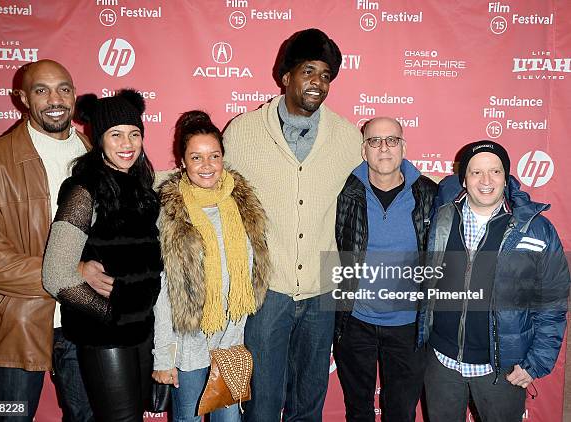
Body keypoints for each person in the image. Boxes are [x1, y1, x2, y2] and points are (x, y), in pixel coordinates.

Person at [223, 28, 363, 421]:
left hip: (322, 291)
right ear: (286, 76)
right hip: (268, 289)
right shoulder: (244, 131)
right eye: (309, 71)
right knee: (261, 403)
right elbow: (208, 184)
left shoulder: (348, 137)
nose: (318, 82)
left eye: (326, 75)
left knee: (309, 400)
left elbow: (384, 179)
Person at [0, 59, 95, 421]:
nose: (56, 99)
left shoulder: (97, 158)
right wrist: (71, 273)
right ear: (21, 98)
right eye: (42, 90)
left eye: (64, 89)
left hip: (86, 320)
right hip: (15, 323)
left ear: (74, 94)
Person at [417, 140, 570, 422]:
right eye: (476, 172)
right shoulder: (442, 218)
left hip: (502, 369)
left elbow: (553, 302)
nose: (486, 180)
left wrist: (535, 363)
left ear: (506, 176)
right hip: (441, 362)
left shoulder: (536, 229)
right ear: (464, 178)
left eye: (495, 171)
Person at [42, 89, 162, 421]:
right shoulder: (84, 189)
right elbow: (56, 275)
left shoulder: (143, 189)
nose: (128, 143)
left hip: (141, 331)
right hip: (105, 335)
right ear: (100, 140)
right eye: (116, 134)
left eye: (135, 134)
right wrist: (111, 315)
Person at [152, 110, 270, 422]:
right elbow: (164, 292)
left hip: (232, 338)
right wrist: (164, 357)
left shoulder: (243, 204)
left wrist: (234, 339)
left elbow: (249, 273)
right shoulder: (170, 213)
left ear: (223, 157)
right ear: (182, 162)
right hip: (188, 343)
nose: (207, 166)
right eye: (196, 157)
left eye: (214, 156)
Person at [333, 117, 437, 422]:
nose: (384, 148)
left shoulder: (429, 194)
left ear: (403, 147)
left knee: (401, 413)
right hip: (354, 322)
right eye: (375, 141)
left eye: (392, 140)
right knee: (358, 410)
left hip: (408, 325)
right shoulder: (344, 193)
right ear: (364, 150)